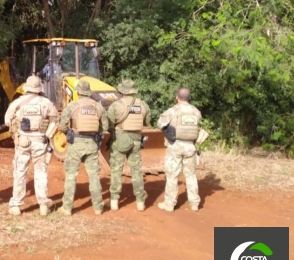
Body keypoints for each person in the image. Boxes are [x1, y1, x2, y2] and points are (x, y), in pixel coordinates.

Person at [4, 76, 59, 216]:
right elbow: (55, 120)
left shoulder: (18, 102)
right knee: (41, 172)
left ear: (27, 87)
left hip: (22, 141)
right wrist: (48, 134)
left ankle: (16, 205)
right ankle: (43, 205)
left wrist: (16, 130)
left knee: (20, 171)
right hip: (40, 141)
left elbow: (7, 120)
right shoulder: (46, 103)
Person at [58, 80, 107, 216]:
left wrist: (69, 132)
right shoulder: (98, 106)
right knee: (94, 176)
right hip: (92, 143)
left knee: (71, 176)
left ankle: (67, 208)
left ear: (78, 92)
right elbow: (105, 126)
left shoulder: (72, 106)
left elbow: (62, 125)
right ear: (88, 92)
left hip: (75, 144)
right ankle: (98, 207)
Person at [103, 79, 151, 212]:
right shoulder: (143, 105)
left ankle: (114, 202)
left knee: (116, 171)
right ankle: (140, 203)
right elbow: (147, 122)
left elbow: (109, 125)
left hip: (119, 141)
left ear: (122, 91)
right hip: (136, 141)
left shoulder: (115, 105)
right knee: (137, 171)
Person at [156, 87, 204, 212]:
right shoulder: (196, 111)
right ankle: (194, 203)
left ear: (177, 96)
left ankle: (169, 204)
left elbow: (160, 123)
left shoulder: (173, 111)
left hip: (176, 145)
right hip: (191, 147)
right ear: (189, 97)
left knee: (172, 175)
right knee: (191, 175)